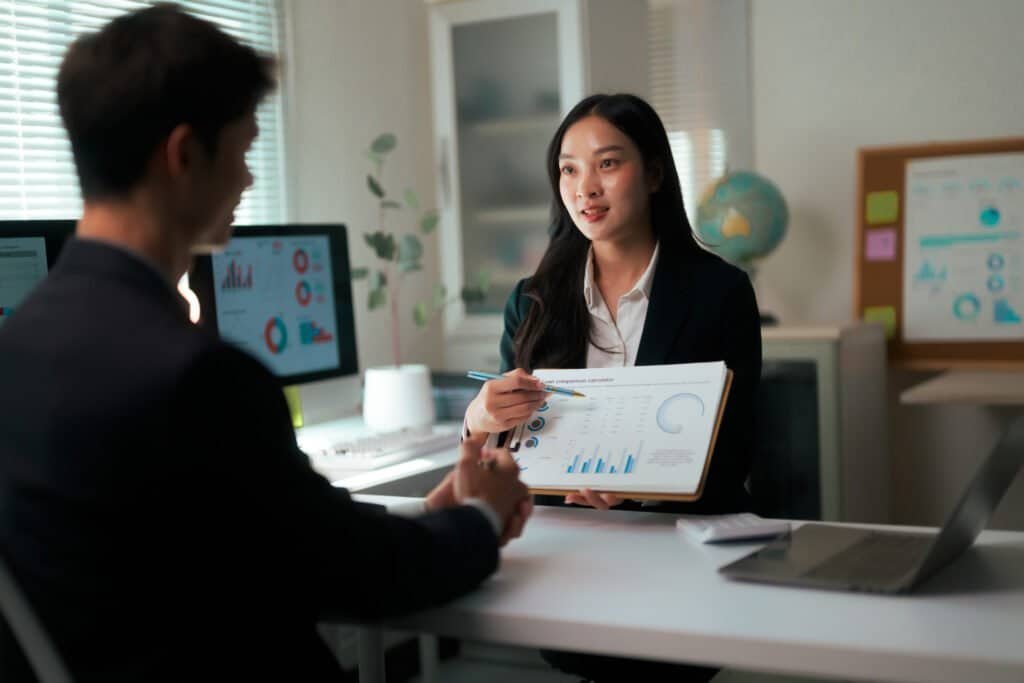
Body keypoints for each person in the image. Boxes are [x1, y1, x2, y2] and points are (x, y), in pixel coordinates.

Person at [0, 5, 531, 682]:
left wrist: (432, 515)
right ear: (184, 155)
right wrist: (482, 517)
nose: (250, 179)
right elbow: (356, 578)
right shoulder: (196, 376)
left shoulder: (18, 345)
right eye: (244, 149)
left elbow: (276, 538)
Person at [463, 93, 762, 682]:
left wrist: (641, 490)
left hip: (677, 556)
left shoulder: (719, 292)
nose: (585, 188)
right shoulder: (533, 299)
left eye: (607, 163)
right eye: (569, 169)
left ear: (652, 173)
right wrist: (480, 420)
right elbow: (502, 462)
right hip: (567, 557)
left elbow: (735, 453)